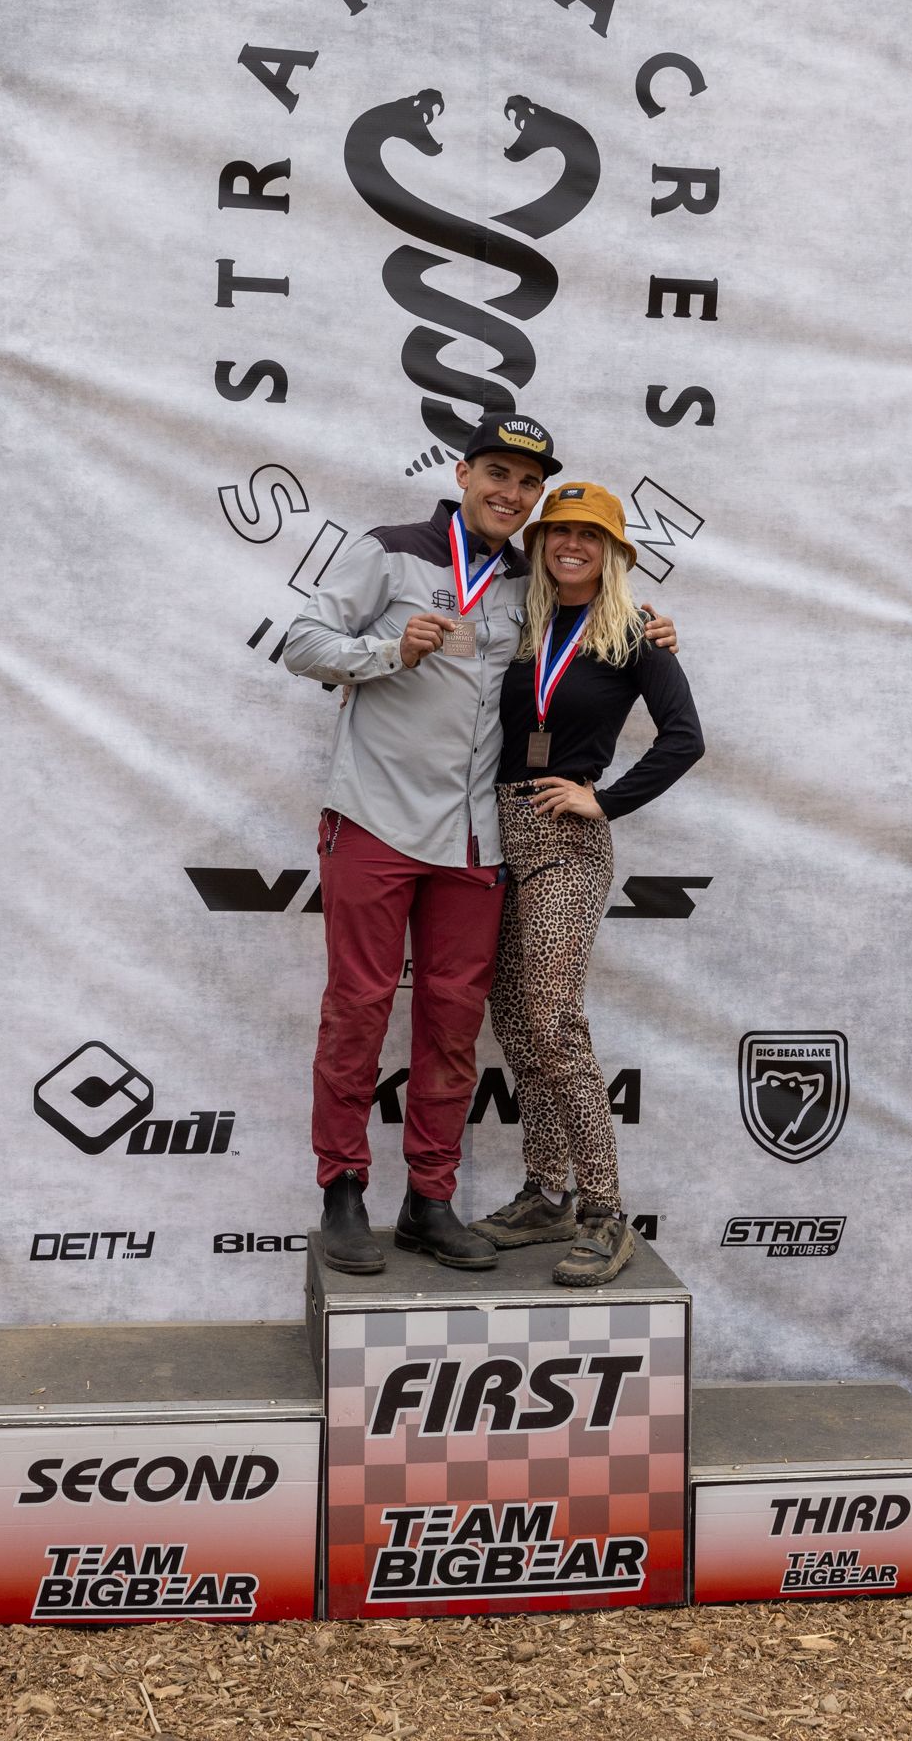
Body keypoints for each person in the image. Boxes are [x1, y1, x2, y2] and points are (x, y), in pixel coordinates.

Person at [282, 416, 676, 1275]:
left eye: (527, 484)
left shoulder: (526, 578)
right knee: (357, 1007)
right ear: (462, 472)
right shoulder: (390, 551)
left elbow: (591, 616)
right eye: (496, 472)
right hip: (377, 819)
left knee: (454, 1025)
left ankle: (430, 1198)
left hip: (475, 837)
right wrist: (388, 650)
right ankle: (343, 1189)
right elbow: (300, 643)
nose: (511, 493)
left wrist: (652, 632)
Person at [471, 481, 704, 1286]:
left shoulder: (635, 633)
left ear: (613, 552)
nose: (571, 544)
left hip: (566, 842)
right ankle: (544, 1193)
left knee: (552, 1017)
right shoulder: (518, 619)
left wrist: (601, 801)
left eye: (589, 534)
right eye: (558, 531)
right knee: (514, 1020)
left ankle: (605, 1212)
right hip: (489, 832)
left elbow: (684, 740)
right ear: (540, 545)